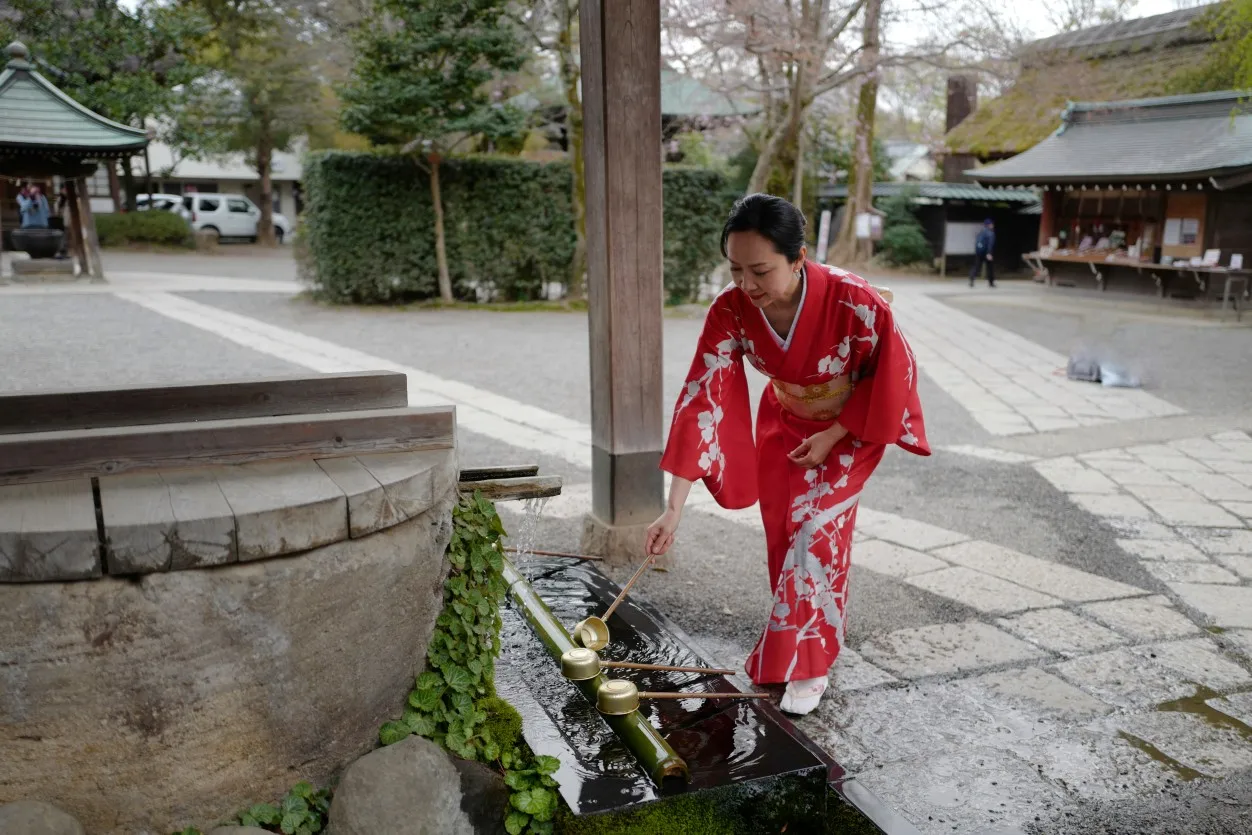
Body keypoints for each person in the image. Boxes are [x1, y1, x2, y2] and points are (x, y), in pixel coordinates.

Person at [645, 194, 930, 716]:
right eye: (735, 270)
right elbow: (700, 396)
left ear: (799, 258)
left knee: (814, 533)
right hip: (784, 427)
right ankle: (796, 649)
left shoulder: (854, 300)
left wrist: (835, 432)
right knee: (784, 539)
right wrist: (674, 507)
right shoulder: (731, 309)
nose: (746, 285)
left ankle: (811, 665)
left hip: (850, 429)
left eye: (760, 270)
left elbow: (893, 373)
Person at [970, 218, 995, 287]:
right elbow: (990, 244)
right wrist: (989, 253)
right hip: (987, 253)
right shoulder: (991, 233)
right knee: (990, 268)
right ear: (989, 225)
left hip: (979, 253)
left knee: (977, 266)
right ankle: (991, 283)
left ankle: (972, 279)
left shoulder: (981, 232)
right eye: (991, 224)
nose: (993, 225)